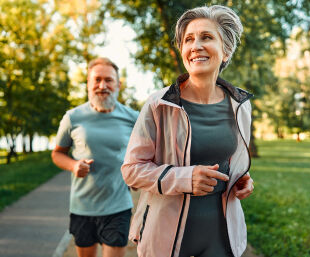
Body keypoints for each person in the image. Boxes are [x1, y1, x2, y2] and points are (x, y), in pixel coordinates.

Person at [121, 5, 254, 257]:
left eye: (206, 37)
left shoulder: (240, 106)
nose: (196, 46)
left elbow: (230, 160)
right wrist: (184, 178)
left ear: (225, 51)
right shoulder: (158, 104)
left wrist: (242, 179)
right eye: (188, 40)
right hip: (165, 238)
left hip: (221, 236)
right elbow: (131, 170)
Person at [51, 57, 138, 257]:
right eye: (96, 80)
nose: (102, 85)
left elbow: (144, 154)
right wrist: (73, 166)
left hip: (118, 206)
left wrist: (137, 174)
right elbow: (57, 154)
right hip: (83, 207)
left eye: (108, 80)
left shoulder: (134, 118)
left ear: (118, 84)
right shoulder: (72, 117)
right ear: (88, 84)